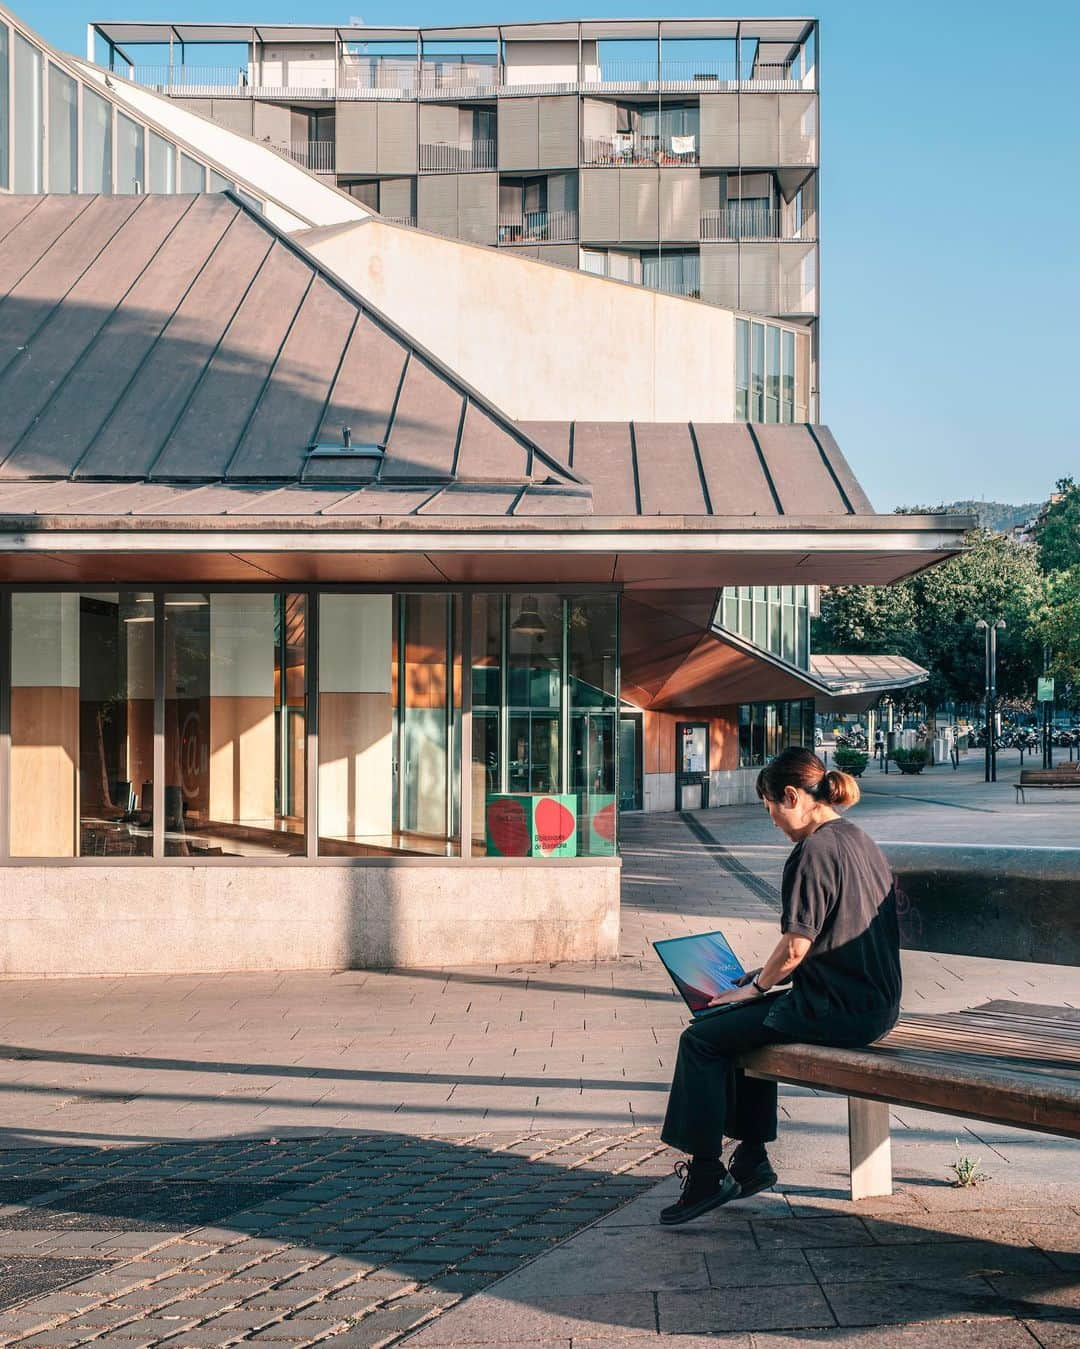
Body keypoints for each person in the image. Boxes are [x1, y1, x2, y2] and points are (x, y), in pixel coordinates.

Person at [658, 747, 901, 1225]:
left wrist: (755, 989)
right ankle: (750, 1160)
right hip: (871, 1001)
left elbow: (796, 947)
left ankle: (707, 1174)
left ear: (791, 796)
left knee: (702, 1038)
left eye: (769, 808)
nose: (771, 821)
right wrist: (760, 979)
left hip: (838, 1009)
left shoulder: (812, 851)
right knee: (741, 1025)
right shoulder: (857, 839)